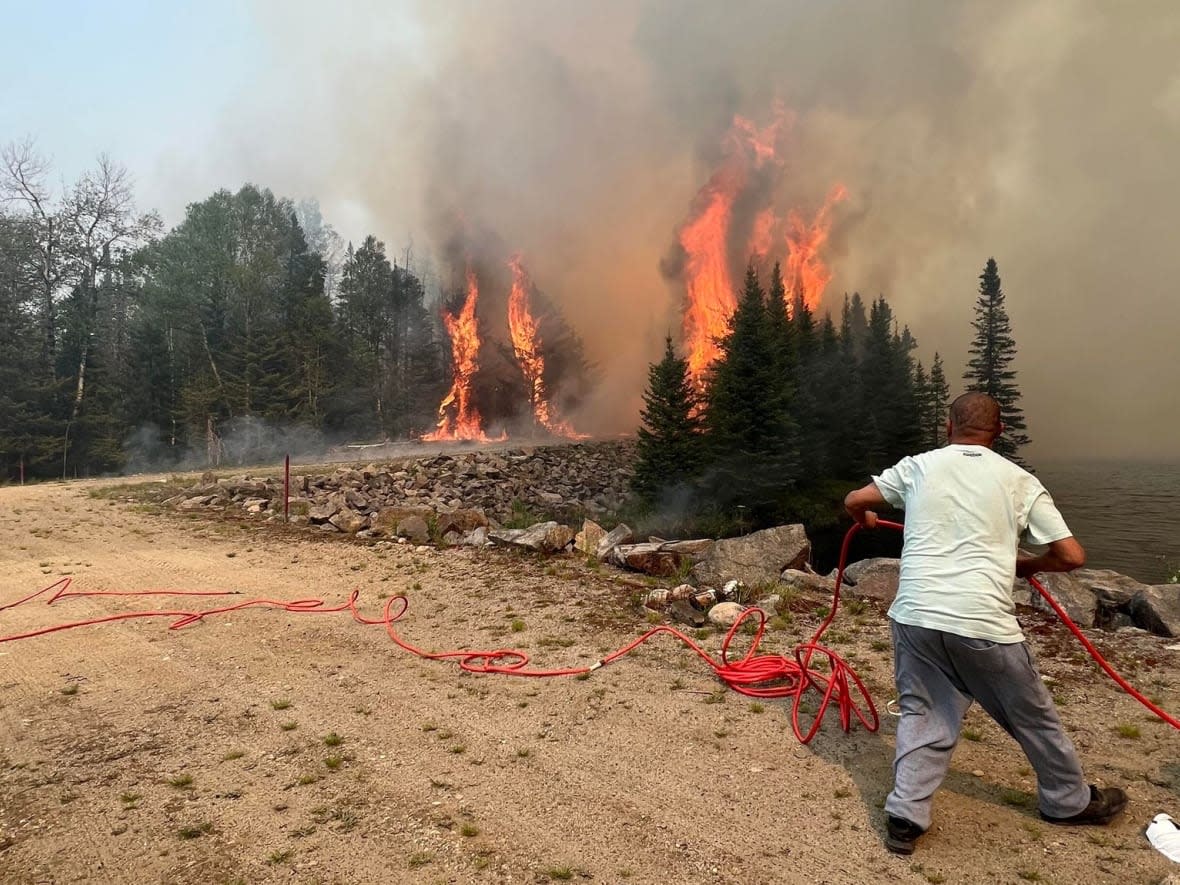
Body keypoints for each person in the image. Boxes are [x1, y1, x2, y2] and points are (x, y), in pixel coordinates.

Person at [842, 392, 1127, 856]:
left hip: (915, 616)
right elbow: (1072, 556)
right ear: (999, 432)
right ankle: (1067, 801)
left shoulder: (920, 466)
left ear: (948, 426)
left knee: (924, 712)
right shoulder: (1019, 481)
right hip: (982, 624)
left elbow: (855, 498)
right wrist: (1029, 566)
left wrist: (866, 516)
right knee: (1031, 716)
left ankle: (906, 816)